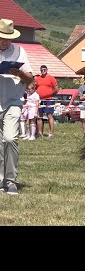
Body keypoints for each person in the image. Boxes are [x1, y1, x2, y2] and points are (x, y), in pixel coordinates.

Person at [0, 19, 34, 195]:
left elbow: (30, 79)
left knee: (10, 138)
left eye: (7, 38)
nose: (4, 41)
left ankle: (11, 180)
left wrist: (19, 73)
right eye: (1, 37)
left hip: (13, 101)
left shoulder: (20, 52)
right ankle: (1, 181)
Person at [35, 64, 58, 137]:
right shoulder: (37, 78)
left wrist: (50, 95)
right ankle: (39, 133)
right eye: (41, 70)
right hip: (39, 100)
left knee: (49, 115)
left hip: (49, 100)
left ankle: (51, 133)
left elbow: (56, 89)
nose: (43, 71)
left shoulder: (51, 78)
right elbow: (34, 88)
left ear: (47, 70)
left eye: (44, 69)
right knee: (39, 116)